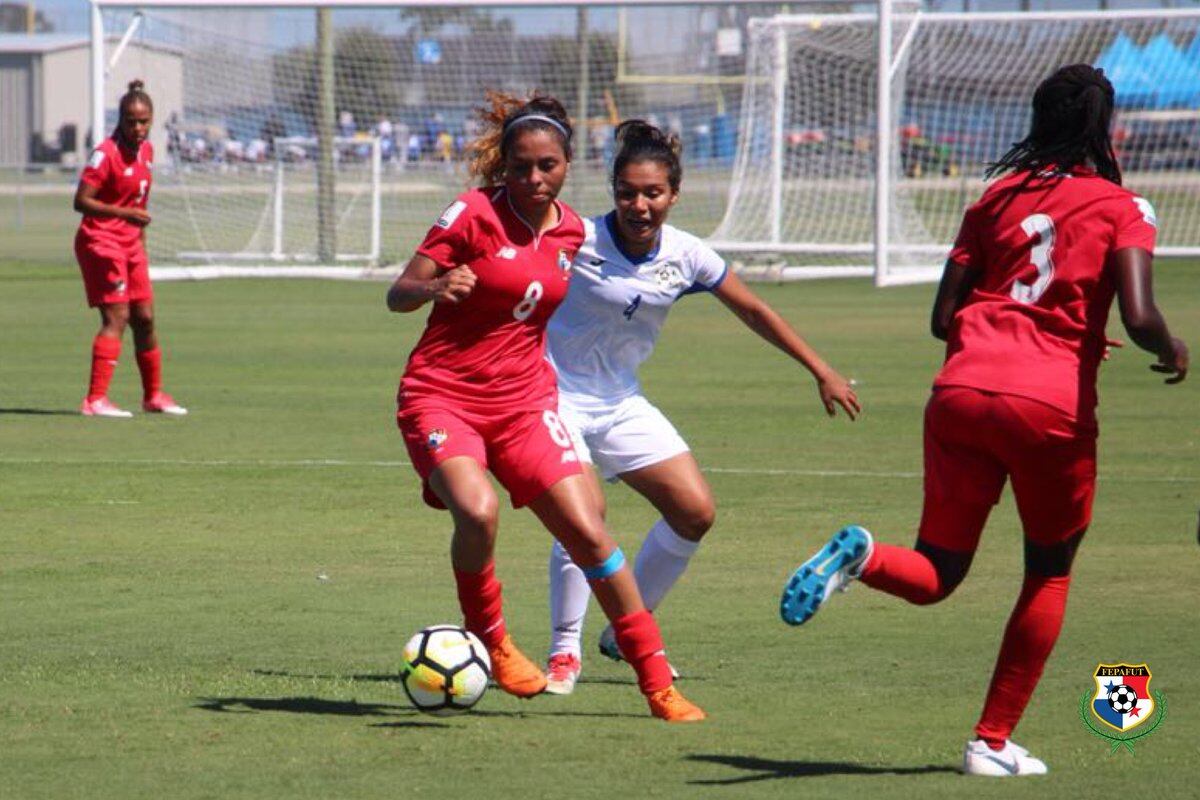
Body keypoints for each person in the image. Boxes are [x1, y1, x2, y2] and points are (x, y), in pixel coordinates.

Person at [779, 65, 1188, 776]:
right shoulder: (1126, 205)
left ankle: (864, 556)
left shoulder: (996, 197)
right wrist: (1171, 346)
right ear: (1104, 126)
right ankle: (990, 743)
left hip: (961, 391)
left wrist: (1027, 330)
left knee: (938, 570)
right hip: (1048, 407)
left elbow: (944, 318)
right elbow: (1142, 314)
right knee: (1049, 574)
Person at [386, 93, 705, 722]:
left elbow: (638, 258)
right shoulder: (472, 213)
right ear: (503, 166)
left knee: (588, 532)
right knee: (477, 512)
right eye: (523, 167)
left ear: (566, 166)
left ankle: (656, 681)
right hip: (443, 395)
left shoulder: (574, 232)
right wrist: (434, 286)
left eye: (548, 166)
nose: (535, 179)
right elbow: (397, 293)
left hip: (526, 402)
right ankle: (495, 643)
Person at [542, 120, 861, 695]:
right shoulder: (575, 238)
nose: (639, 205)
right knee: (582, 516)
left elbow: (755, 310)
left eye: (653, 193)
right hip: (555, 395)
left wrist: (822, 369)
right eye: (627, 193)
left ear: (674, 195)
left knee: (695, 512)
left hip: (620, 402)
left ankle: (624, 629)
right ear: (613, 191)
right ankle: (564, 652)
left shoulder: (687, 254)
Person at [73, 79, 186, 418]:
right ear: (120, 120)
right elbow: (81, 201)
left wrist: (141, 246)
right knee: (117, 316)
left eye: (144, 121)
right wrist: (123, 214)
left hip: (131, 245)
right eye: (131, 121)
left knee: (146, 318)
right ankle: (95, 400)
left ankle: (153, 396)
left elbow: (140, 206)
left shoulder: (147, 152)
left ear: (151, 120)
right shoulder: (105, 154)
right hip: (100, 241)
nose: (138, 128)